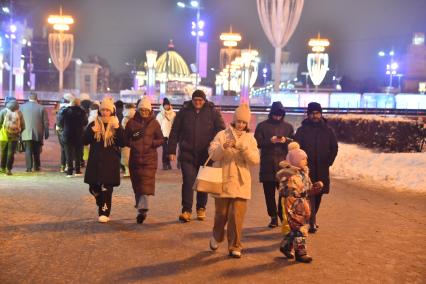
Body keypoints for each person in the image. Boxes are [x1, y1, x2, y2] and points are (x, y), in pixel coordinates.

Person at [208, 104, 260, 258]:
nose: (241, 125)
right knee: (221, 214)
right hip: (223, 180)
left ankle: (235, 245)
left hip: (241, 182)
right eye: (239, 121)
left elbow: (255, 160)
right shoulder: (222, 135)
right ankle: (217, 236)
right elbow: (212, 155)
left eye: (244, 122)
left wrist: (243, 148)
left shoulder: (250, 139)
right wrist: (222, 147)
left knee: (236, 216)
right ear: (234, 120)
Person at [168, 90, 225, 223]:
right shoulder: (184, 112)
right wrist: (171, 150)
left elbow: (221, 131)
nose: (198, 103)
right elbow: (175, 131)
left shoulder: (212, 112)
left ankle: (201, 208)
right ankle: (186, 210)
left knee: (203, 182)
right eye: (195, 100)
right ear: (192, 100)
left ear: (204, 101)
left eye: (200, 100)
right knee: (188, 181)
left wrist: (218, 148)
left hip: (205, 155)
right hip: (187, 153)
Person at [294, 102, 338, 233]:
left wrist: (329, 162)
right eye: (312, 113)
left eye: (317, 113)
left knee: (318, 195)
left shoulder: (328, 130)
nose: (315, 116)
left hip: (322, 168)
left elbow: (334, 147)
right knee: (307, 195)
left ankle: (312, 218)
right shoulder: (302, 130)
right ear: (308, 115)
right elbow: (296, 148)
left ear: (321, 114)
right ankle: (311, 220)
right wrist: (300, 164)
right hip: (306, 169)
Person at [276, 142, 323, 263]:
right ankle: (301, 253)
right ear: (295, 161)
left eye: (306, 158)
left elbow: (307, 189)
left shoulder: (304, 173)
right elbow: (283, 190)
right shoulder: (287, 174)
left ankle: (286, 246)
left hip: (303, 204)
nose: (306, 160)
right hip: (292, 204)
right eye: (303, 159)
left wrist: (314, 188)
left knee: (296, 229)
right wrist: (292, 192)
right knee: (299, 229)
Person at [84, 98, 125, 223]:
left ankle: (104, 212)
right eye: (103, 110)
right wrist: (91, 132)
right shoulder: (93, 124)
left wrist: (118, 129)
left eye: (107, 110)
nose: (105, 112)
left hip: (110, 161)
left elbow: (123, 142)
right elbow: (84, 141)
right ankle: (99, 199)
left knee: (106, 189)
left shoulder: (116, 124)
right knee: (93, 188)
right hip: (95, 161)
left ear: (112, 111)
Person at [254, 101, 294, 228]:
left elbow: (294, 142)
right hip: (267, 163)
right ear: (271, 114)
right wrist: (270, 141)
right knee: (269, 194)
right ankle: (273, 217)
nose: (277, 117)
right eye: (275, 115)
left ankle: (282, 215)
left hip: (283, 165)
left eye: (280, 115)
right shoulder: (262, 126)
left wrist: (285, 140)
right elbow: (257, 142)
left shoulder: (288, 127)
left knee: (283, 193)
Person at [125, 97, 164, 224]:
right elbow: (125, 139)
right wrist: (133, 144)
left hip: (149, 159)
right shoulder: (131, 123)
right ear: (138, 110)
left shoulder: (155, 123)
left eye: (146, 110)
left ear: (150, 110)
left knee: (145, 184)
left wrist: (153, 143)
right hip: (135, 158)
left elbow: (161, 139)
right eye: (142, 110)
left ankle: (143, 209)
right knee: (137, 184)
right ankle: (141, 208)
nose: (144, 112)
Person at [58, 98, 88, 177]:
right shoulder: (82, 112)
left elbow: (60, 123)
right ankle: (77, 170)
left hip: (67, 135)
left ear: (71, 103)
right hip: (79, 135)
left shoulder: (65, 111)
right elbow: (85, 123)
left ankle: (69, 171)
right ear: (79, 104)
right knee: (78, 153)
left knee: (68, 153)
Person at [20, 93, 49, 172]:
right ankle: (37, 166)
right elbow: (45, 122)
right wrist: (46, 132)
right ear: (37, 98)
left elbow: (19, 120)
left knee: (28, 149)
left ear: (28, 98)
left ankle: (29, 168)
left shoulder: (22, 107)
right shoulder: (42, 108)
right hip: (38, 132)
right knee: (37, 150)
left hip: (25, 131)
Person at [0, 97, 25, 175]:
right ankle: (8, 169)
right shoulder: (19, 113)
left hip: (4, 135)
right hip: (15, 136)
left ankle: (2, 168)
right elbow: (23, 126)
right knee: (11, 152)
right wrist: (19, 133)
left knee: (3, 151)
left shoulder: (3, 111)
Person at [55, 94, 75, 173]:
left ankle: (62, 166)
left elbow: (58, 122)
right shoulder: (70, 110)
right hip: (68, 131)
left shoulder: (61, 109)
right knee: (69, 149)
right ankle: (67, 165)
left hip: (60, 131)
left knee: (63, 149)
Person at [156, 97, 176, 170]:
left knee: (169, 150)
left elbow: (174, 124)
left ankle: (168, 163)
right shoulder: (160, 114)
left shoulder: (173, 114)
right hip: (163, 134)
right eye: (165, 105)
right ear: (163, 105)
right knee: (165, 149)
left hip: (171, 134)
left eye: (167, 105)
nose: (166, 106)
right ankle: (165, 163)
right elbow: (157, 125)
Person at [121, 103, 136, 177]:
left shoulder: (125, 118)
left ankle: (127, 171)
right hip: (136, 138)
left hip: (127, 139)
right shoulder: (137, 116)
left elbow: (123, 128)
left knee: (126, 155)